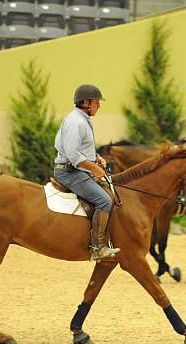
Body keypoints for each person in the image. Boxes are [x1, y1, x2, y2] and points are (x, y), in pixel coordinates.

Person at [53, 84, 120, 262]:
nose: (99, 105)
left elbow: (78, 147)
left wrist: (96, 157)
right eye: (97, 102)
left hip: (76, 168)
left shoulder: (81, 119)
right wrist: (95, 168)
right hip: (69, 171)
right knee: (104, 200)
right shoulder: (77, 122)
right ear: (86, 103)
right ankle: (97, 247)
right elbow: (74, 155)